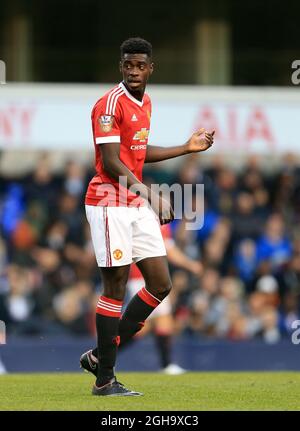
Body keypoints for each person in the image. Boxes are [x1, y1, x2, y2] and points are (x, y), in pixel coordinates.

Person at [81, 37, 214, 396]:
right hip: (108, 201)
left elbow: (136, 154)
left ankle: (100, 354)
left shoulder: (146, 102)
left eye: (141, 65)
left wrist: (185, 147)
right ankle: (105, 379)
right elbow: (110, 162)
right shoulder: (109, 106)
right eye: (128, 65)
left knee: (160, 284)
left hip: (132, 201)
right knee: (116, 287)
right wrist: (151, 194)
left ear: (150, 67)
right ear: (120, 66)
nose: (134, 71)